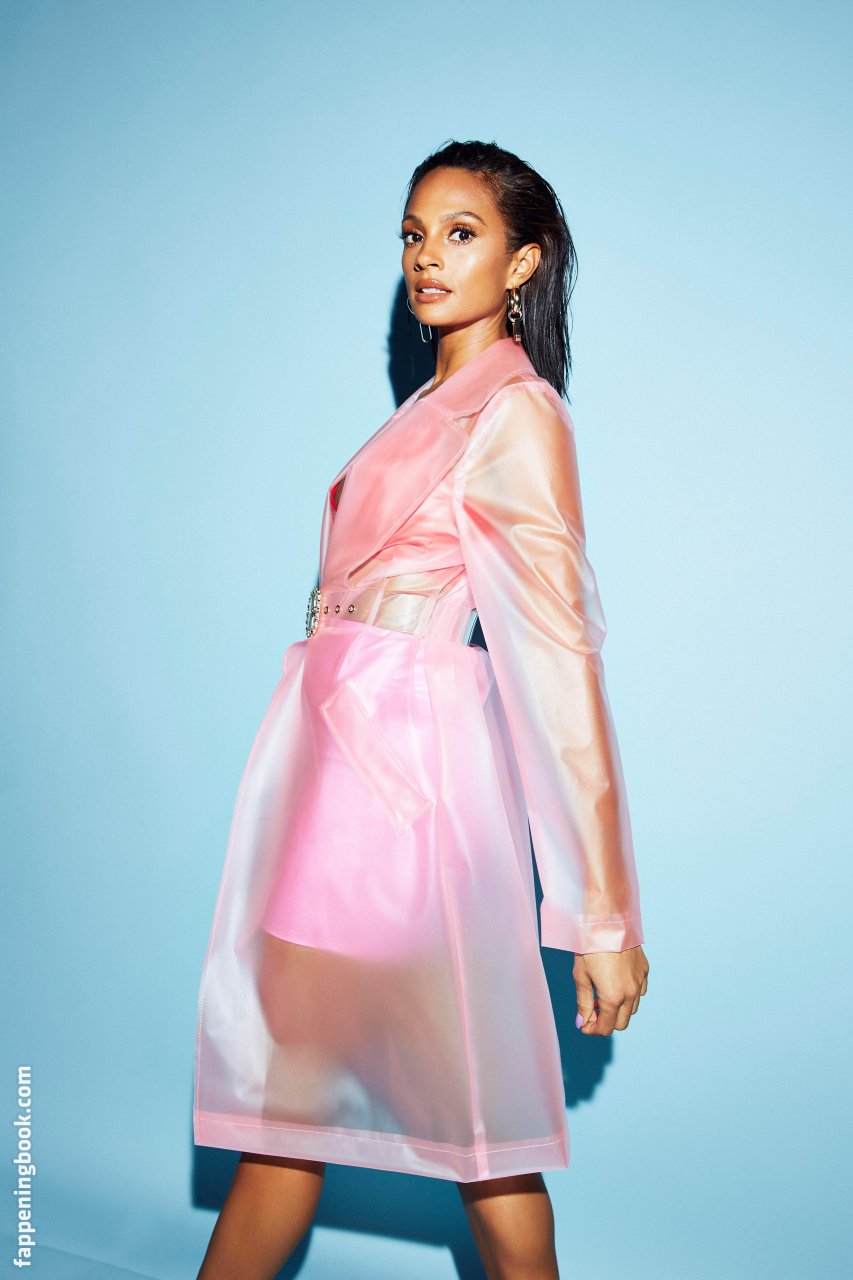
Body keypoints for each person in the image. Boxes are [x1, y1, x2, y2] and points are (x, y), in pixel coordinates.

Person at [193, 138, 649, 1280]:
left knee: (481, 1138)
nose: (426, 257)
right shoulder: (431, 407)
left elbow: (556, 661)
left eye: (459, 233)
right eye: (412, 234)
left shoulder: (514, 412)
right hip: (333, 789)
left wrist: (601, 919)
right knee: (286, 1111)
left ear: (521, 263)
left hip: (404, 804)